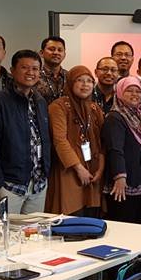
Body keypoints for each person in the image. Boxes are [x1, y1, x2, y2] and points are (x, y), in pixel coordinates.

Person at [0, 50, 51, 214]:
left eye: (35, 69)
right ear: (12, 70)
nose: (30, 72)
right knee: (3, 237)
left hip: (37, 185)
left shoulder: (40, 101)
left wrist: (45, 174)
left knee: (33, 237)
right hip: (9, 186)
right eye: (25, 67)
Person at [46, 66, 104, 216]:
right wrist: (79, 169)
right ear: (71, 82)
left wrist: (100, 170)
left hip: (93, 170)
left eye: (89, 81)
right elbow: (60, 140)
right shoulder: (58, 106)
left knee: (92, 221)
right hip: (70, 169)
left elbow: (102, 142)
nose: (85, 85)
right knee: (71, 215)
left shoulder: (94, 108)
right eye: (80, 80)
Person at [101, 76, 141, 223]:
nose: (135, 94)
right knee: (124, 225)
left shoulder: (140, 116)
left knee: (139, 227)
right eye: (129, 90)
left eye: (138, 91)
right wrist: (120, 177)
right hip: (123, 184)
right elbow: (114, 149)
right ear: (119, 92)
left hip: (140, 181)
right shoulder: (115, 117)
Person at [36, 36, 67, 104]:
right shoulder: (35, 76)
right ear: (41, 53)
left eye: (60, 50)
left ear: (64, 55)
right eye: (51, 49)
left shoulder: (70, 77)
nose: (56, 52)